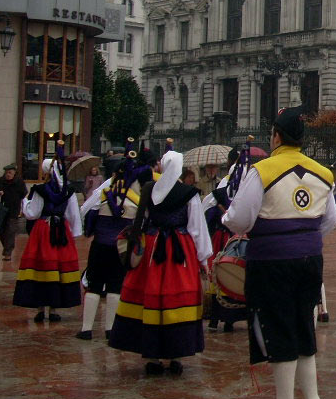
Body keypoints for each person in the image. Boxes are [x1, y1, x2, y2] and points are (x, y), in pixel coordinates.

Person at [223, 106, 336, 399]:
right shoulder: (323, 173)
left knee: (278, 327)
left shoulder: (262, 171)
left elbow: (239, 219)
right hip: (309, 260)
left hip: (271, 260)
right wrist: (304, 236)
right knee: (304, 324)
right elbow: (333, 219)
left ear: (276, 136)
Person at [108, 147, 212, 376]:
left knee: (150, 296)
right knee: (177, 299)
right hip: (179, 249)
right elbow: (197, 228)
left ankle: (152, 355)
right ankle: (175, 355)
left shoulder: (149, 190)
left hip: (153, 248)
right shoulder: (189, 194)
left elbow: (141, 220)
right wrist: (203, 258)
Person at [77, 146, 155, 341]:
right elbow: (145, 221)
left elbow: (85, 210)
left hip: (100, 244)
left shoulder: (105, 190)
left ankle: (86, 329)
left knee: (94, 284)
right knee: (115, 285)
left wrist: (92, 228)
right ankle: (110, 330)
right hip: (121, 246)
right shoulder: (138, 197)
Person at [13, 143, 82, 322]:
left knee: (41, 266)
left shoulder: (40, 189)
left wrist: (25, 202)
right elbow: (73, 215)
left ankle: (40, 307)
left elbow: (32, 214)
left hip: (43, 229)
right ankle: (53, 309)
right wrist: (73, 234)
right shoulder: (68, 190)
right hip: (61, 230)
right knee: (58, 267)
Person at [202, 148, 248, 332]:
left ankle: (222, 318)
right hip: (228, 237)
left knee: (231, 273)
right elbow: (209, 208)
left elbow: (207, 209)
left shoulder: (226, 186)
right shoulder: (224, 186)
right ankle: (220, 318)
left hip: (229, 236)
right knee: (227, 272)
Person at [0, 164, 27, 261]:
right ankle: (7, 247)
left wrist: (17, 200)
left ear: (14, 173)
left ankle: (8, 253)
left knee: (10, 231)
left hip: (13, 210)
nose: (8, 174)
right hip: (1, 210)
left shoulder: (19, 182)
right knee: (0, 231)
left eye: (10, 173)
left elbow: (24, 193)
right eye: (6, 172)